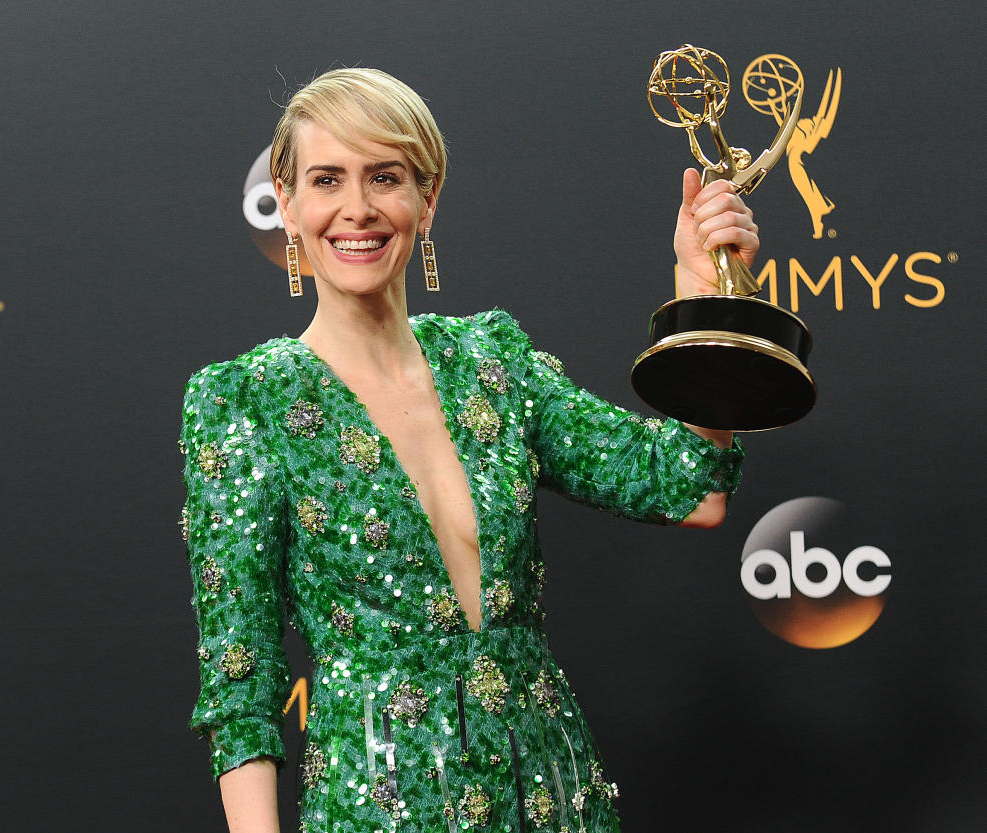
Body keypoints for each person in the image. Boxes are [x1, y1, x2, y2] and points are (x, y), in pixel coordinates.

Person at [181, 68, 754, 833]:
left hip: (554, 798)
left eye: (386, 177)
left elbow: (692, 485)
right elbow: (241, 689)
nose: (357, 208)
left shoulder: (493, 360)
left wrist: (699, 289)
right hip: (378, 808)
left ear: (429, 198)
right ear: (287, 205)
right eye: (327, 180)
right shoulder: (244, 401)